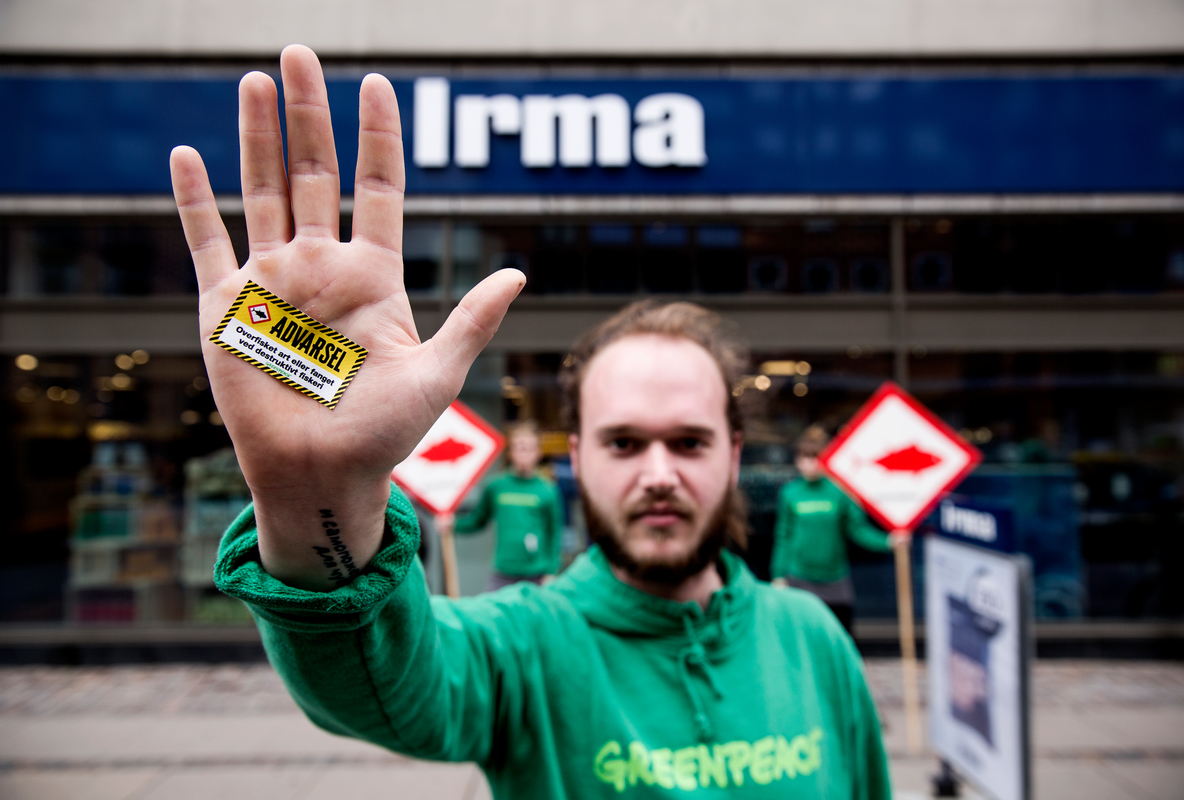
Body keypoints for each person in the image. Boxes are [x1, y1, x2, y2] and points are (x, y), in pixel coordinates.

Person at [170, 45, 890, 798]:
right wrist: (318, 499)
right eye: (623, 441)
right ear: (577, 454)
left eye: (689, 441)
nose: (658, 472)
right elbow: (384, 693)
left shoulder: (813, 642)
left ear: (734, 453)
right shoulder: (523, 645)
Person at [771, 426, 902, 636]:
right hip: (799, 577)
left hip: (835, 578)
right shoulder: (790, 493)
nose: (810, 464)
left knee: (839, 636)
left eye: (816, 458)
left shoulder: (840, 491)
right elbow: (783, 536)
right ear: (797, 461)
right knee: (802, 637)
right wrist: (778, 574)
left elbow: (858, 529)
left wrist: (888, 541)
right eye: (805, 458)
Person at [440, 421, 564, 589]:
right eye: (519, 447)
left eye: (528, 448)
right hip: (503, 573)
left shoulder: (548, 490)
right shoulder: (496, 486)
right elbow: (477, 521)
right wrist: (453, 525)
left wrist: (551, 572)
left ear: (538, 452)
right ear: (511, 452)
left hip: (536, 574)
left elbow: (554, 534)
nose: (523, 452)